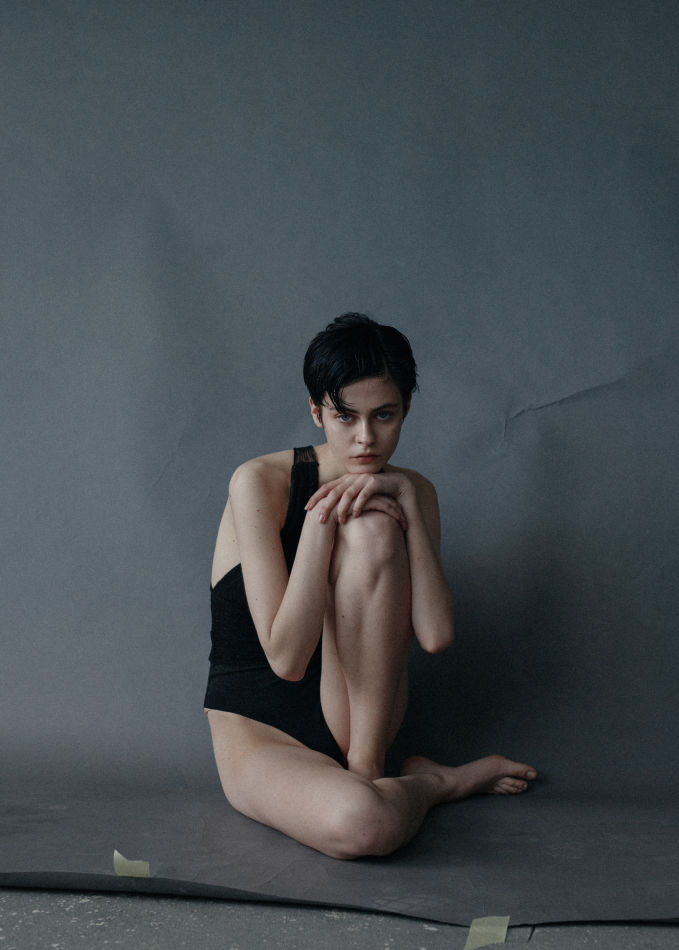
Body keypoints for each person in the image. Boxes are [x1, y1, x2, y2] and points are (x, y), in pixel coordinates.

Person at [204, 313, 537, 859]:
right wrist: (320, 524)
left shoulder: (412, 488)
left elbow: (435, 635)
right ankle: (434, 783)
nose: (365, 438)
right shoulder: (259, 482)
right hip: (261, 728)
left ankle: (368, 767)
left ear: (405, 409)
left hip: (356, 718)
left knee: (374, 527)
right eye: (345, 416)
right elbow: (286, 659)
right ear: (316, 412)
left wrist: (406, 503)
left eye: (384, 415)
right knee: (364, 826)